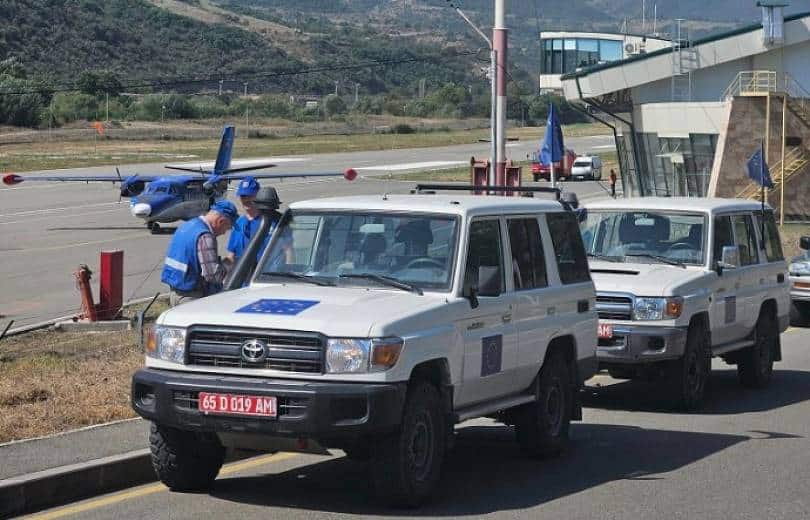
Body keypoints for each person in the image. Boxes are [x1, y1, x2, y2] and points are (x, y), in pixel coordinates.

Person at [161, 200, 237, 306]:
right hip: (191, 297)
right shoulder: (205, 236)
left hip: (175, 293)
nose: (224, 233)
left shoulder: (187, 226)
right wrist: (228, 263)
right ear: (221, 221)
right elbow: (213, 276)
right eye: (226, 228)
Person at [226, 176, 263, 263]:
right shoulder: (238, 223)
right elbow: (231, 254)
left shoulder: (269, 221)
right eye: (243, 196)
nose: (246, 199)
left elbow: (287, 249)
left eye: (250, 195)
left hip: (264, 274)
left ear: (258, 195)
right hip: (243, 273)